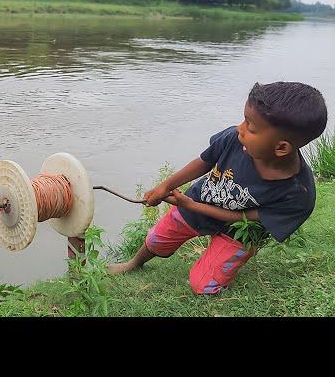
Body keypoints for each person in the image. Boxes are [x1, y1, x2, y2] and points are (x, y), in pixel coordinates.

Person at [107, 81, 328, 294]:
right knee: (158, 238)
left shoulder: (298, 195)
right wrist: (166, 186)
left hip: (239, 232)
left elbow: (247, 219)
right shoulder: (235, 138)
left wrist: (190, 205)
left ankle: (221, 258)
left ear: (281, 147)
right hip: (201, 200)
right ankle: (134, 263)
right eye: (244, 120)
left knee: (203, 286)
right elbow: (204, 162)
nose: (239, 129)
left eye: (250, 127)